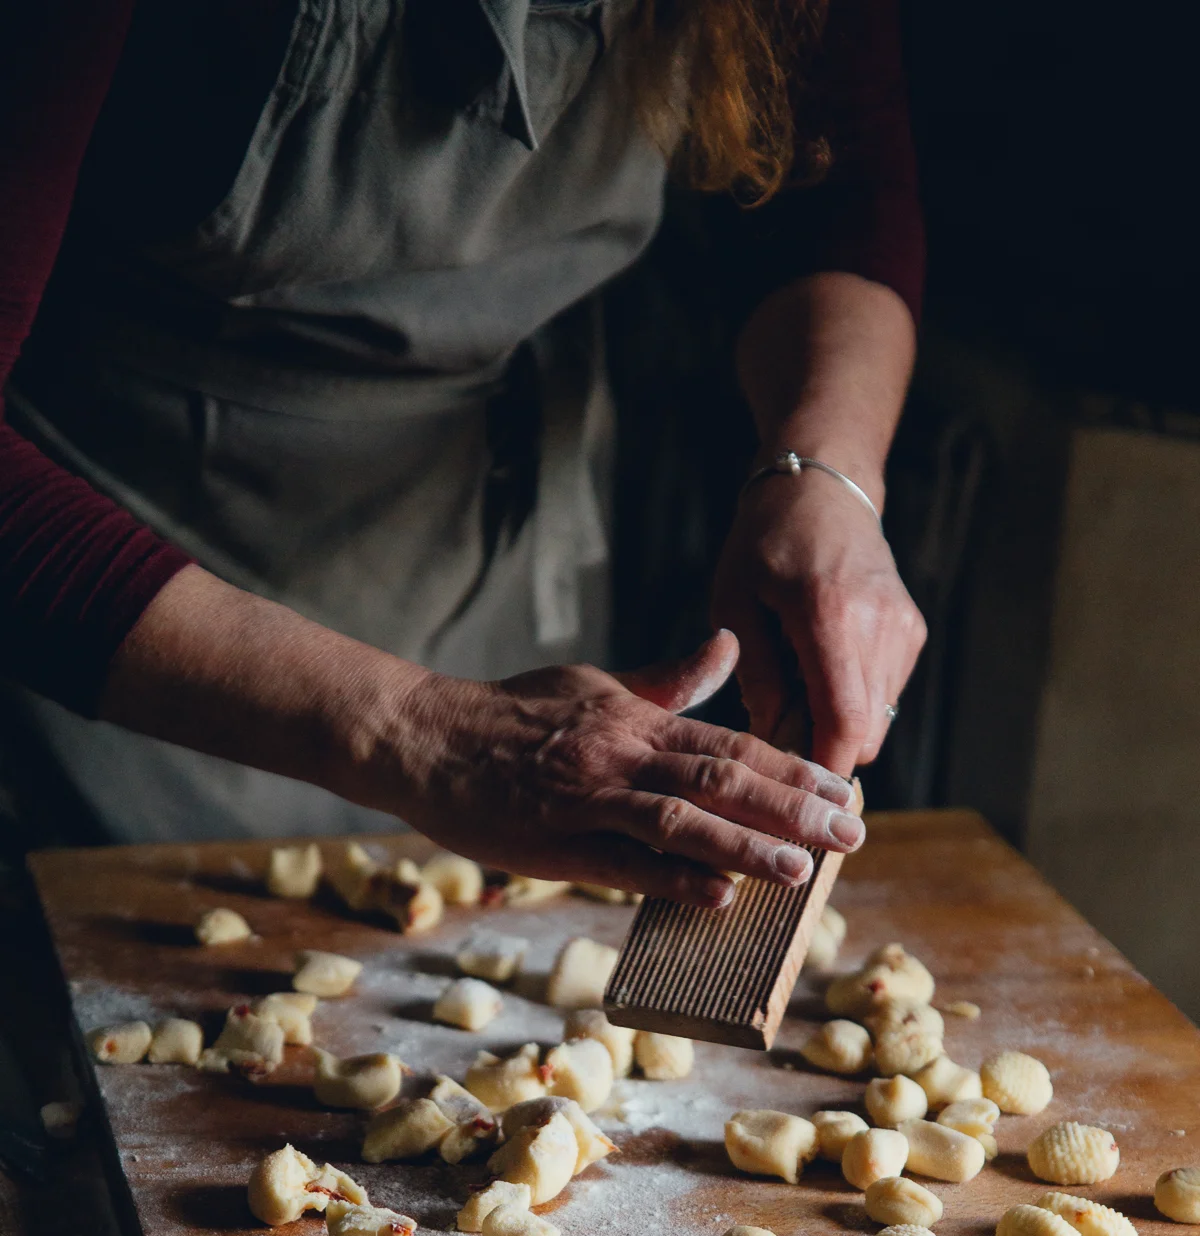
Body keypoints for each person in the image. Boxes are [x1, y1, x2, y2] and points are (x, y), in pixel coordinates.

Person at [1, 0, 925, 905]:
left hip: (494, 567)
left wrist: (828, 473)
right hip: (120, 576)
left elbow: (835, 186)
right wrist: (423, 733)